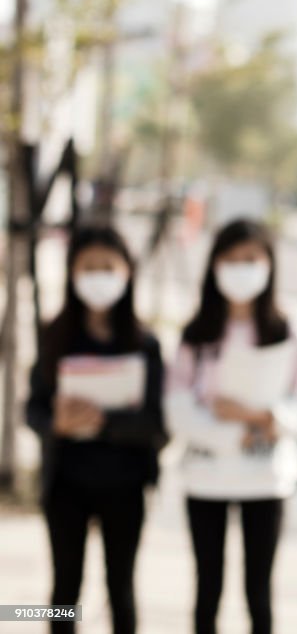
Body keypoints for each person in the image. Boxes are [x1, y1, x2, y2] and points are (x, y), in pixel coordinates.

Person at [165, 219, 297, 634]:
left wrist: (258, 417)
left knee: (259, 591)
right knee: (208, 589)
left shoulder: (285, 330)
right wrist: (231, 432)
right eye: (231, 259)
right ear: (214, 265)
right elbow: (177, 405)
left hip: (266, 478)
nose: (241, 269)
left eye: (250, 259)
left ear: (269, 265)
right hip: (206, 477)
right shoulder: (198, 333)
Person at [26, 225, 167, 634]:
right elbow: (33, 409)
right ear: (72, 273)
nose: (99, 277)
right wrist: (56, 423)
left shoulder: (145, 343)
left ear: (127, 272)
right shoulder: (55, 335)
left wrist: (103, 421)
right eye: (89, 267)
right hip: (66, 482)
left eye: (108, 267)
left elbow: (157, 424)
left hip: (125, 483)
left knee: (120, 588)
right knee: (65, 591)